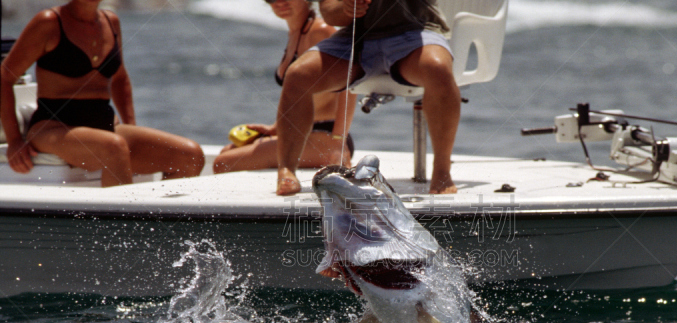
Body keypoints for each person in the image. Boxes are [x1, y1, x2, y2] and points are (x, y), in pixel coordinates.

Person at [0, 0, 204, 187]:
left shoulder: (111, 22)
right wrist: (15, 141)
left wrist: (130, 126)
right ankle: (119, 226)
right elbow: (5, 77)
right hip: (52, 127)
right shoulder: (49, 22)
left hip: (104, 125)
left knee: (190, 155)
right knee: (114, 148)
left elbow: (120, 79)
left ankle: (158, 225)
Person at [274, 0, 460, 196]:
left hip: (414, 32)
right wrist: (345, 8)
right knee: (297, 75)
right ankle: (286, 170)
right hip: (357, 37)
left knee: (438, 68)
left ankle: (442, 169)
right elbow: (329, 13)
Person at [213, 0, 356, 175]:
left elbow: (351, 85)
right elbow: (298, 94)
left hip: (326, 134)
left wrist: (338, 141)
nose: (279, 2)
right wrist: (276, 127)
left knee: (223, 163)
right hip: (299, 132)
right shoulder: (296, 33)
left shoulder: (321, 30)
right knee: (226, 152)